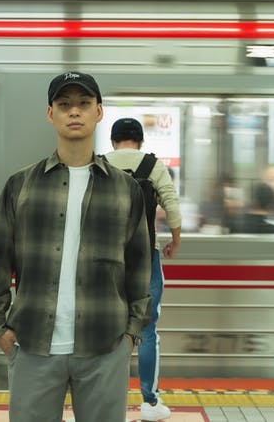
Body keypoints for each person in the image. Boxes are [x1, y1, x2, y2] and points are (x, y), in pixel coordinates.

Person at [0, 71, 151, 422]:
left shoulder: (125, 189)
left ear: (98, 112)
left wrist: (131, 335)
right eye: (64, 104)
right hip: (33, 346)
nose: (74, 111)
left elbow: (139, 266)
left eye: (84, 103)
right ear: (50, 114)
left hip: (105, 347)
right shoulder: (21, 186)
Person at [104, 117, 181, 422]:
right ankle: (149, 402)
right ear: (140, 141)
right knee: (148, 331)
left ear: (113, 141)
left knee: (108, 329)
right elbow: (171, 205)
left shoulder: (100, 164)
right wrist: (175, 240)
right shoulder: (152, 165)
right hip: (146, 255)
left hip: (106, 260)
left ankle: (108, 402)